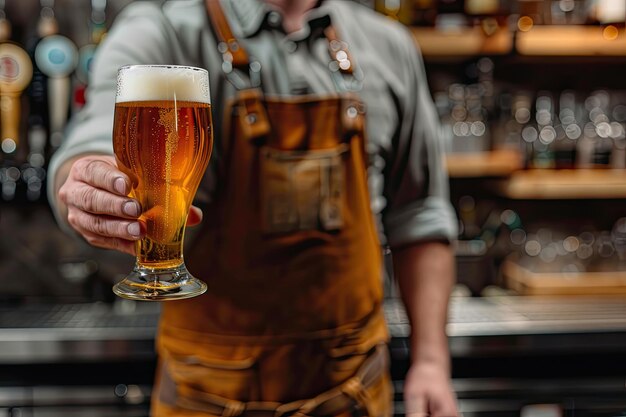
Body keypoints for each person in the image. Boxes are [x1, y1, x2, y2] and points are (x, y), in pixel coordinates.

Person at [47, 0, 459, 415]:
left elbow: (420, 216)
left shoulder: (390, 45)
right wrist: (89, 180)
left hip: (354, 392)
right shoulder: (163, 29)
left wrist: (430, 361)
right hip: (206, 398)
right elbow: (95, 136)